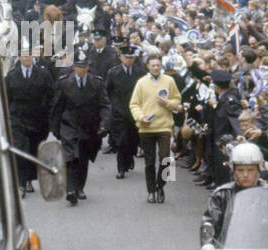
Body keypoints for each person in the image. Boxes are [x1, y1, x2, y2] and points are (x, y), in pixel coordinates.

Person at [49, 48, 109, 206]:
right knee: (70, 157)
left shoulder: (96, 82)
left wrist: (103, 125)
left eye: (84, 66)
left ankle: (79, 187)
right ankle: (70, 190)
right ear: (73, 67)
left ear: (88, 67)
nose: (81, 69)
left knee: (83, 157)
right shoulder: (64, 82)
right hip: (69, 124)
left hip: (88, 125)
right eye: (78, 66)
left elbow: (104, 105)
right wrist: (55, 128)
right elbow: (57, 107)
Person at [129, 52, 182, 204]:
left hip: (164, 126)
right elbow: (134, 104)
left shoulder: (169, 80)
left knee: (166, 159)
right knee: (150, 161)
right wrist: (140, 117)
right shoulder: (141, 82)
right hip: (146, 127)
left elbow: (177, 100)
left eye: (158, 65)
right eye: (153, 65)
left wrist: (168, 103)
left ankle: (161, 185)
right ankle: (151, 190)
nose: (156, 68)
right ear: (148, 66)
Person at [5, 48, 54, 196]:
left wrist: (48, 114)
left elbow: (51, 95)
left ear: (33, 56)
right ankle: (21, 180)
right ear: (19, 57)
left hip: (38, 118)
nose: (27, 59)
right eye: (24, 56)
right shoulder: (11, 76)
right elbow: (6, 98)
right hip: (18, 118)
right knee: (20, 148)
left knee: (33, 149)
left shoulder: (43, 74)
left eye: (29, 55)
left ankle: (29, 179)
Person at [105, 46, 144, 179]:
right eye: (126, 57)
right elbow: (107, 91)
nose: (129, 60)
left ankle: (130, 158)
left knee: (132, 139)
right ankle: (121, 168)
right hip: (119, 112)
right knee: (121, 141)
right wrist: (111, 106)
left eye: (132, 57)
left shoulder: (140, 72)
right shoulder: (113, 72)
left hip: (134, 112)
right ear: (121, 57)